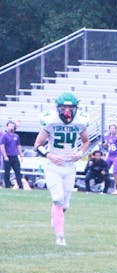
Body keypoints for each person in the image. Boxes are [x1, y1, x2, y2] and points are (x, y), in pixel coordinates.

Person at [34, 93, 89, 245]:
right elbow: (37, 145)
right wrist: (49, 155)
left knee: (65, 205)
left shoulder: (80, 121)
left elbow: (85, 142)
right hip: (53, 167)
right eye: (64, 107)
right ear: (58, 108)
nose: (67, 111)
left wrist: (80, 153)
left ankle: (56, 216)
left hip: (69, 167)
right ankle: (60, 236)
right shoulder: (50, 121)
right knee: (57, 199)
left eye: (70, 107)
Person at [1, 120, 25, 189]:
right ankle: (7, 186)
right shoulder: (5, 136)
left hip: (15, 156)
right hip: (7, 156)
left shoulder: (16, 136)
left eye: (12, 126)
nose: (11, 127)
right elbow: (2, 146)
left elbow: (18, 146)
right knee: (7, 172)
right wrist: (5, 156)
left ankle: (20, 186)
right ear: (7, 127)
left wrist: (21, 155)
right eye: (10, 126)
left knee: (18, 171)